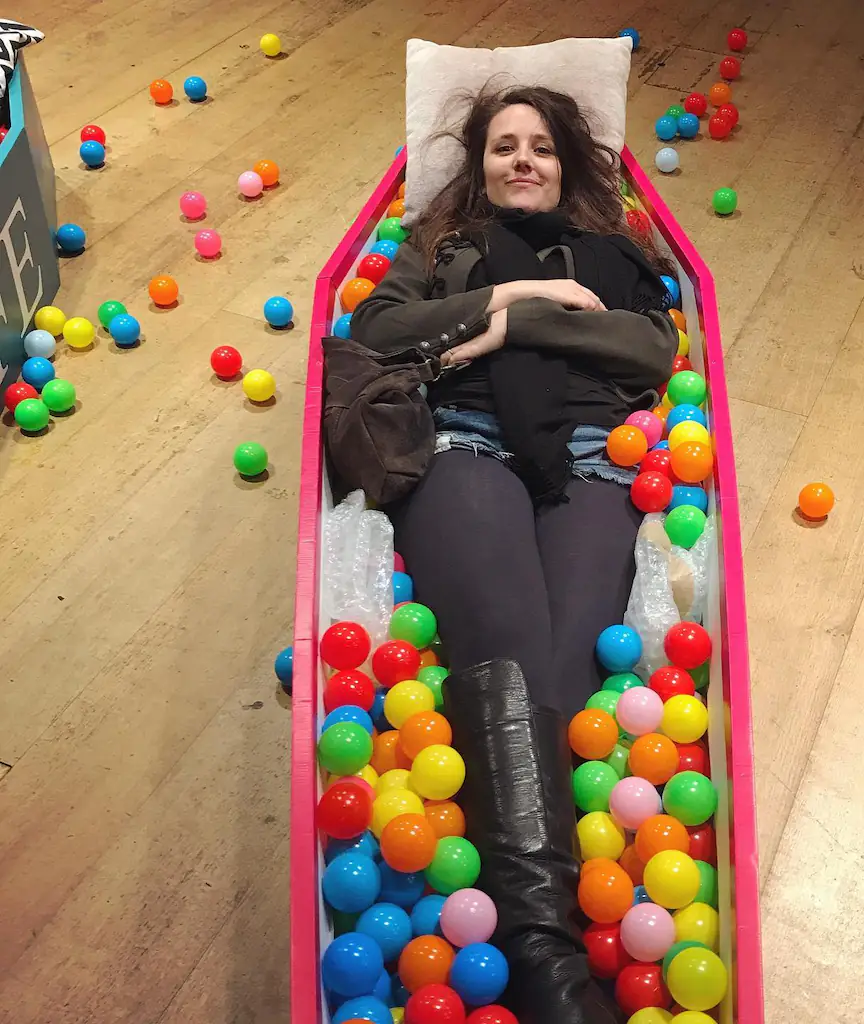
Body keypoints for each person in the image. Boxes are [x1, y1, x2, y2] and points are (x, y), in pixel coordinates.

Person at [349, 85, 676, 1024]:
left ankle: (537, 941)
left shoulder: (616, 254)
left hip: (592, 456)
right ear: (480, 164)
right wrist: (515, 293)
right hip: (465, 438)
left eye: (540, 146)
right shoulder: (441, 249)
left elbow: (651, 353)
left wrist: (508, 327)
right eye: (503, 147)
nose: (521, 159)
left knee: (565, 692)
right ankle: (546, 962)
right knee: (513, 656)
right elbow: (376, 332)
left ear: (567, 164)